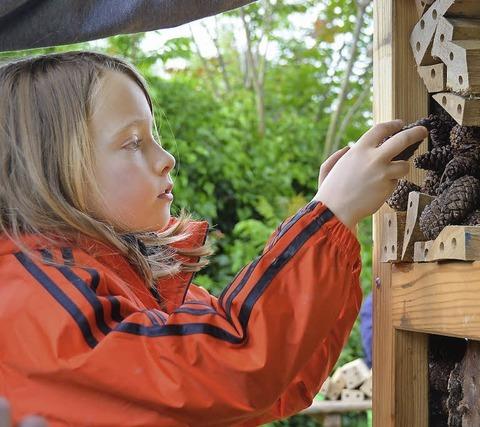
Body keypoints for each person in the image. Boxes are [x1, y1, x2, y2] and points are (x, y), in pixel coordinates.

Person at [0, 51, 427, 426]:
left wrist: (334, 223)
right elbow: (229, 366)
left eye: (156, 138)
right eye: (133, 142)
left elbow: (281, 381)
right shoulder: (24, 297)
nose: (166, 159)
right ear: (51, 170)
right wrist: (328, 216)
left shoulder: (133, 285)